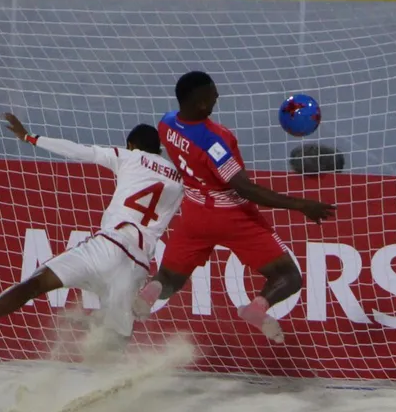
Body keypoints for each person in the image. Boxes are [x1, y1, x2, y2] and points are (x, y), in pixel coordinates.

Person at [0, 113, 184, 347]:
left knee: (36, 282)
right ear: (159, 149)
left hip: (109, 245)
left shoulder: (128, 156)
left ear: (131, 144)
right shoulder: (179, 179)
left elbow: (77, 151)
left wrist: (30, 137)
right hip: (137, 264)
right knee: (117, 339)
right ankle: (109, 386)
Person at [132, 71, 336, 343]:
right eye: (212, 93)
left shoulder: (166, 124)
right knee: (288, 276)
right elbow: (245, 188)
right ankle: (257, 308)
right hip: (232, 217)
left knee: (169, 279)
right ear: (201, 103)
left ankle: (148, 294)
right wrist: (301, 205)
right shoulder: (216, 141)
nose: (218, 96)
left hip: (194, 214)